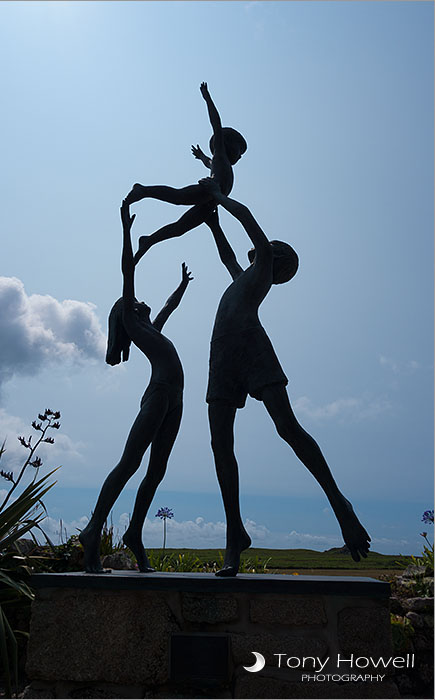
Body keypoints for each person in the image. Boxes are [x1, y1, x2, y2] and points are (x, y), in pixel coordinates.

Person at [198, 177, 371, 577]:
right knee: (220, 443)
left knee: (288, 427)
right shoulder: (244, 275)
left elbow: (246, 216)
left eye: (270, 249)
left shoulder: (261, 269)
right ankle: (234, 535)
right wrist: (212, 224)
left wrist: (218, 197)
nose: (263, 248)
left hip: (252, 349)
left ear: (274, 260)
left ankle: (340, 505)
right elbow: (227, 255)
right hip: (222, 354)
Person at [79, 200, 192, 573]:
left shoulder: (151, 327)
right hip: (159, 393)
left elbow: (169, 308)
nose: (143, 301)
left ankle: (134, 533)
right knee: (130, 462)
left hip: (175, 399)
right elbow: (127, 269)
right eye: (136, 300)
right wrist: (126, 231)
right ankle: (93, 530)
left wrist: (181, 287)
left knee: (156, 470)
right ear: (127, 310)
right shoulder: (130, 315)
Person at [126, 82, 247, 263]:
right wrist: (207, 98)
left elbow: (208, 162)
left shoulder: (219, 162)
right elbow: (216, 123)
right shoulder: (220, 155)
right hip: (209, 190)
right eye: (239, 149)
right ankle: (143, 190)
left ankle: (148, 240)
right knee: (179, 196)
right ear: (227, 143)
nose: (240, 155)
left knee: (180, 228)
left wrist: (200, 157)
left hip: (211, 204)